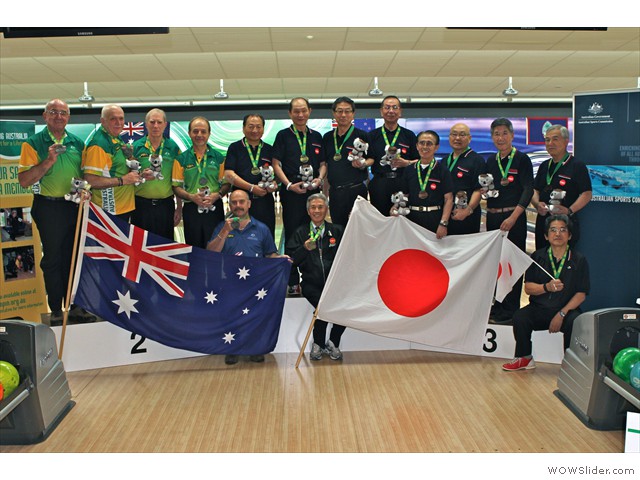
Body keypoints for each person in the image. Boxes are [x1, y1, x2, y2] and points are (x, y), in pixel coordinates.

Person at [18, 98, 95, 325]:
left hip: (74, 205)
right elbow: (24, 180)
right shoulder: (33, 143)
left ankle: (76, 306)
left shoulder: (78, 143)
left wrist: (86, 190)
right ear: (45, 116)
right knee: (53, 258)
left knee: (75, 257)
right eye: (54, 112)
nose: (59, 116)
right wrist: (48, 161)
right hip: (48, 206)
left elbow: (84, 176)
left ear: (68, 117)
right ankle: (56, 309)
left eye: (63, 113)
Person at [207, 189, 289, 365]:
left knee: (255, 315)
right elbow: (211, 252)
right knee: (231, 315)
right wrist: (224, 231)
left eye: (241, 202)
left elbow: (270, 254)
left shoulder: (261, 228)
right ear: (229, 204)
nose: (238, 206)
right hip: (229, 283)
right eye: (234, 202)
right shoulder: (222, 227)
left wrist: (280, 259)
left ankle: (255, 348)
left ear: (248, 204)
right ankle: (232, 349)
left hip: (254, 283)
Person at [502, 214, 589, 371]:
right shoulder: (537, 257)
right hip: (540, 309)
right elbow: (528, 288)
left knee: (575, 321)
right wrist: (546, 287)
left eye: (563, 230)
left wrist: (561, 314)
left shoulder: (579, 260)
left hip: (565, 311)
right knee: (520, 317)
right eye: (553, 230)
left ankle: (569, 364)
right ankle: (524, 358)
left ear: (569, 235)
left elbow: (581, 293)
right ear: (546, 236)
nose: (558, 234)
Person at [272, 98, 326, 296]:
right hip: (293, 193)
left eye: (303, 110)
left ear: (309, 111)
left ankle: (313, 278)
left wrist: (319, 179)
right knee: (294, 237)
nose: (300, 114)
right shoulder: (283, 135)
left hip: (313, 192)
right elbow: (276, 163)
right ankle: (293, 282)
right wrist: (287, 185)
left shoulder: (317, 136)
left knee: (315, 233)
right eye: (296, 111)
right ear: (290, 113)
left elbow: (323, 163)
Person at [286, 193, 345, 361]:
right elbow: (290, 261)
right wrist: (304, 249)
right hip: (311, 283)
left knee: (342, 309)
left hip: (334, 284)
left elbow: (349, 255)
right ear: (308, 211)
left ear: (326, 209)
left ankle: (332, 342)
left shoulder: (337, 231)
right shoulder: (300, 232)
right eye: (313, 207)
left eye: (320, 207)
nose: (317, 211)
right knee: (323, 308)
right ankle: (318, 343)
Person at [486, 118, 534, 324]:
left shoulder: (522, 159)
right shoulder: (491, 161)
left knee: (511, 263)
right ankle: (498, 305)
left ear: (512, 135)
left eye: (504, 133)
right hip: (493, 217)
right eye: (496, 134)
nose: (501, 137)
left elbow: (528, 189)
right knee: (496, 263)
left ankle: (511, 309)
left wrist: (514, 217)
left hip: (513, 218)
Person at [172, 116, 229, 249]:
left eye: (203, 131)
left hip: (214, 207)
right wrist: (191, 197)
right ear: (189, 133)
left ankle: (215, 271)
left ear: (209, 134)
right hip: (191, 209)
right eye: (195, 131)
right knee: (194, 249)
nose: (199, 135)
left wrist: (217, 195)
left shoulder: (219, 157)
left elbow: (226, 184)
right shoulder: (181, 159)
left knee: (215, 248)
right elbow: (176, 187)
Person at [531, 125, 592, 250]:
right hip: (544, 222)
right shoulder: (544, 166)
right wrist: (537, 204)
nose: (550, 143)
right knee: (542, 259)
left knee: (563, 263)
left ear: (566, 141)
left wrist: (569, 210)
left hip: (565, 223)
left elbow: (587, 194)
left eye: (555, 139)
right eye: (547, 140)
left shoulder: (577, 165)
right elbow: (535, 190)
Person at [83, 104, 147, 222]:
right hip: (109, 211)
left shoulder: (115, 138)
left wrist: (135, 166)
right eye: (113, 119)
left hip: (122, 208)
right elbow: (90, 180)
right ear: (103, 121)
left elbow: (116, 169)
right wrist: (123, 180)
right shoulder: (99, 145)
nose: (118, 122)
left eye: (121, 118)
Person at [131, 108, 183, 240]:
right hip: (140, 206)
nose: (155, 126)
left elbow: (177, 180)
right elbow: (129, 176)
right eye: (152, 122)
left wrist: (179, 208)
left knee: (164, 247)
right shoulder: (135, 147)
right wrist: (141, 175)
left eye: (159, 122)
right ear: (146, 124)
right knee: (140, 245)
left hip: (165, 206)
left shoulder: (173, 148)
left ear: (165, 124)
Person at [224, 114, 278, 238]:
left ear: (263, 129)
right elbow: (228, 174)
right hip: (241, 203)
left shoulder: (270, 149)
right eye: (251, 126)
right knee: (240, 239)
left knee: (266, 238)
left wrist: (274, 183)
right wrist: (251, 188)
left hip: (265, 203)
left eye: (258, 127)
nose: (255, 130)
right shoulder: (235, 148)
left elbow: (277, 174)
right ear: (243, 128)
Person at [322, 96, 372, 228]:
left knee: (359, 229)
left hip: (356, 190)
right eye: (339, 111)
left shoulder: (363, 135)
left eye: (347, 111)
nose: (343, 115)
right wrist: (324, 195)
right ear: (334, 113)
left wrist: (364, 163)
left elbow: (372, 158)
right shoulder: (327, 137)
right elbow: (326, 165)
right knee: (338, 229)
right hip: (336, 192)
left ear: (353, 114)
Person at [395, 131, 453, 239]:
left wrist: (443, 223)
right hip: (412, 218)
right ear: (417, 146)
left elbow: (448, 199)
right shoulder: (409, 170)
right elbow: (405, 194)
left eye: (429, 143)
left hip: (434, 218)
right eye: (422, 143)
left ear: (436, 147)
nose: (425, 147)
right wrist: (395, 207)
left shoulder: (442, 170)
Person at [367, 95, 419, 216]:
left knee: (402, 219)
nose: (391, 111)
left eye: (395, 107)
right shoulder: (372, 136)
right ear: (381, 111)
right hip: (380, 183)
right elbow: (368, 159)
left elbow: (420, 161)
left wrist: (407, 163)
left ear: (400, 112)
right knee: (380, 220)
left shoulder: (409, 135)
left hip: (403, 183)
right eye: (387, 107)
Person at [445, 123, 487, 235]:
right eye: (454, 134)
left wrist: (467, 210)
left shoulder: (477, 160)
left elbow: (478, 189)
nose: (457, 138)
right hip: (446, 214)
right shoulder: (445, 160)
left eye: (462, 135)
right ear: (449, 137)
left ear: (469, 138)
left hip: (467, 216)